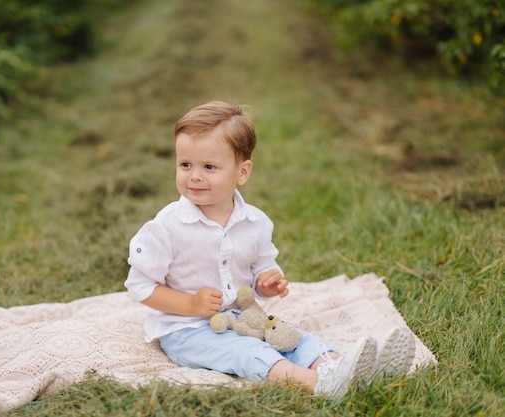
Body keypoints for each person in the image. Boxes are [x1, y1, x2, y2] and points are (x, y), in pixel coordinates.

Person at [124, 100, 415, 398]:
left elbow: (260, 270)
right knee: (249, 352)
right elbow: (140, 285)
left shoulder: (255, 223)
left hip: (243, 319)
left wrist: (267, 281)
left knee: (291, 339)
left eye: (209, 167)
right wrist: (190, 305)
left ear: (242, 172)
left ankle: (345, 367)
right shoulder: (167, 227)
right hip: (187, 331)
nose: (194, 175)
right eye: (185, 165)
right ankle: (321, 385)